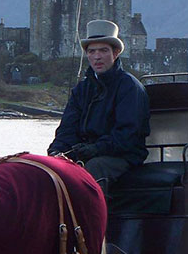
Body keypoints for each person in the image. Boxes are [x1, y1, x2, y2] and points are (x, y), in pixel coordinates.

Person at [48, 19, 150, 189]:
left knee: (93, 169)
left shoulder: (130, 87)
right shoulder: (81, 90)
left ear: (115, 53)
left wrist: (96, 148)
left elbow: (128, 134)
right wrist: (56, 153)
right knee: (49, 171)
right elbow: (67, 129)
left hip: (123, 156)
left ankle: (91, 215)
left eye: (103, 50)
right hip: (86, 153)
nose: (97, 57)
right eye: (92, 51)